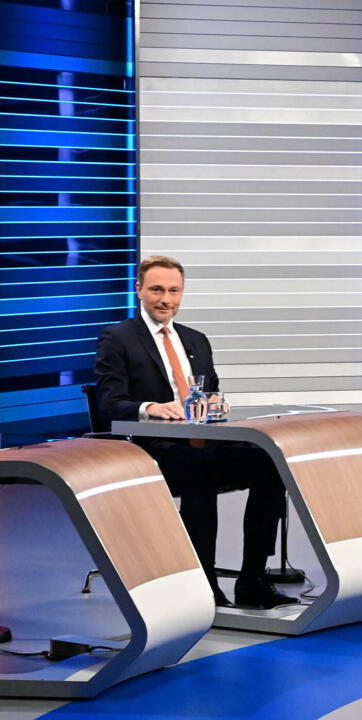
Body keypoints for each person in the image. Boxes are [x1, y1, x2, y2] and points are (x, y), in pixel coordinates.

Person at [94, 255, 295, 609]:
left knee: (269, 463)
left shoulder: (195, 340)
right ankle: (204, 585)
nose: (166, 299)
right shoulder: (118, 338)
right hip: (150, 448)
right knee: (198, 469)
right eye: (157, 290)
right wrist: (149, 407)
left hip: (203, 443)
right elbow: (110, 403)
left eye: (174, 291)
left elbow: (211, 391)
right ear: (139, 289)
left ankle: (253, 580)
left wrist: (217, 404)